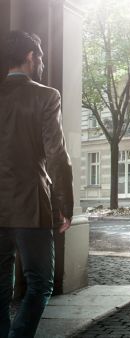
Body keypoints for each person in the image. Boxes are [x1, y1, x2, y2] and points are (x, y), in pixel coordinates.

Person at [0, 30, 73, 338]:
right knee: (40, 283)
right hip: (31, 206)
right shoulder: (46, 96)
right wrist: (64, 206)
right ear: (31, 57)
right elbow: (57, 155)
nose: (42, 63)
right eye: (40, 57)